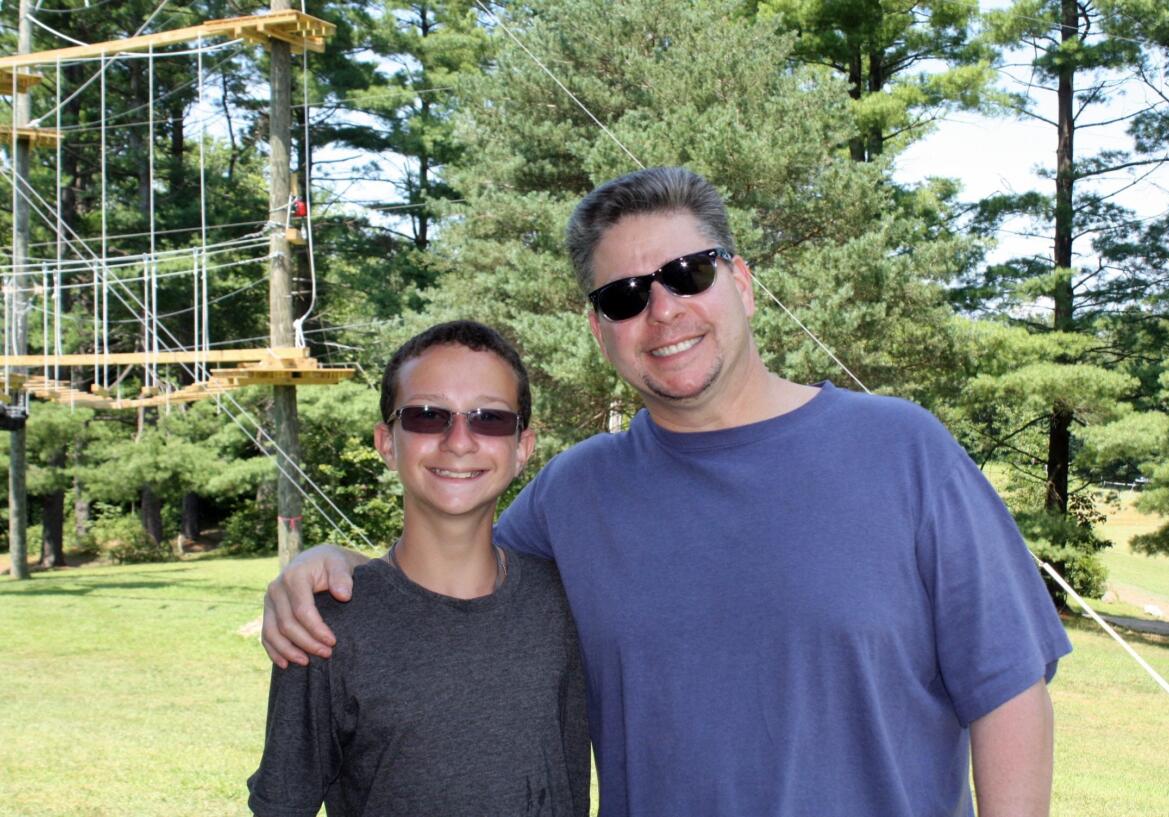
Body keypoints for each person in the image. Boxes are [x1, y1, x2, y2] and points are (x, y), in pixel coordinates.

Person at [262, 168, 1073, 817]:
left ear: (743, 283)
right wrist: (335, 572)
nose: (662, 310)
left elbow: (1006, 690)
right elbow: (451, 579)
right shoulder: (573, 495)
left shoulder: (903, 449)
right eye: (624, 295)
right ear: (599, 331)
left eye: (688, 273)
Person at [248, 320, 589, 817]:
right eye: (428, 416)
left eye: (489, 419)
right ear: (387, 442)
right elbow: (282, 805)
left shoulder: (563, 603)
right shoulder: (324, 625)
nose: (458, 440)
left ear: (522, 448)